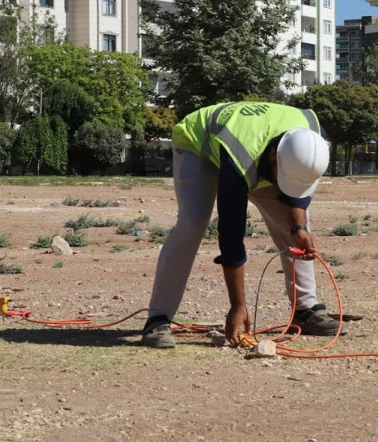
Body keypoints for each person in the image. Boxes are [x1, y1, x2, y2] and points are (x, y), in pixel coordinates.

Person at [140, 101, 339, 349]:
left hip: (259, 154)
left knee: (295, 225)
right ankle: (158, 319)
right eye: (283, 176)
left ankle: (306, 310)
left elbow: (297, 191)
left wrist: (298, 228)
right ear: (271, 157)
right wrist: (238, 305)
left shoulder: (312, 139)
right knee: (192, 223)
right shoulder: (241, 156)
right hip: (198, 144)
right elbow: (231, 234)